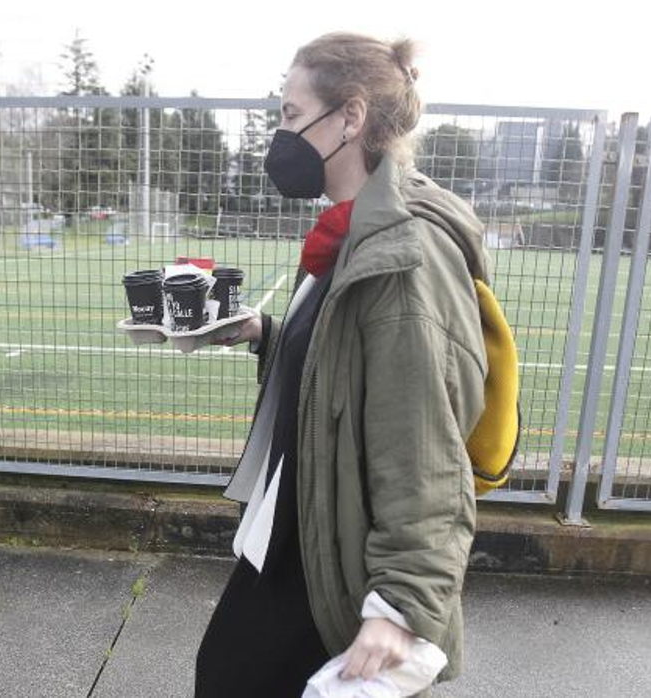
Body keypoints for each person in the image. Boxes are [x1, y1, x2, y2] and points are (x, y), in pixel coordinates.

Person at [194, 32, 491, 698]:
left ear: (350, 119)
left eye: (293, 116)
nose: (281, 135)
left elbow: (426, 447)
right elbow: (346, 362)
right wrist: (265, 332)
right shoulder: (351, 233)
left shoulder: (403, 258)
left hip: (339, 555)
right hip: (303, 526)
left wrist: (402, 607)